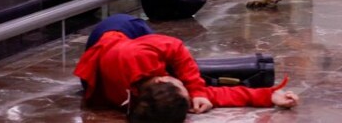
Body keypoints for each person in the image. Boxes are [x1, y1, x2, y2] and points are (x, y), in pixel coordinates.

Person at [74, 14, 300, 123]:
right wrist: (269, 96)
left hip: (118, 27)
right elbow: (214, 95)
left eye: (178, 84)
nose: (185, 85)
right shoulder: (144, 101)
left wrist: (195, 89)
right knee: (194, 77)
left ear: (162, 80)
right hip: (113, 58)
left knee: (188, 70)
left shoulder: (136, 55)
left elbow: (175, 47)